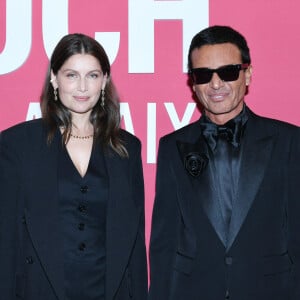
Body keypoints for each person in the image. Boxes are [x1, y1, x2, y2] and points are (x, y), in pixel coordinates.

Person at [148, 25, 300, 300]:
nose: (216, 84)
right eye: (204, 75)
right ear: (193, 83)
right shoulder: (172, 147)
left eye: (228, 72)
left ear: (248, 74)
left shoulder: (289, 141)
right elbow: (164, 244)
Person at [0, 33, 147, 300]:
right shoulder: (17, 144)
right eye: (71, 75)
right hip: (40, 290)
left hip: (108, 291)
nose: (82, 87)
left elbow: (134, 243)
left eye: (92, 75)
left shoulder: (127, 148)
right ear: (54, 78)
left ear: (105, 80)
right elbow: (6, 239)